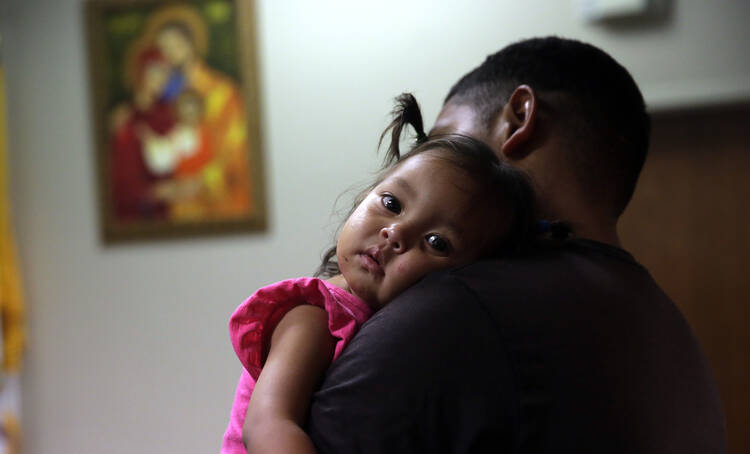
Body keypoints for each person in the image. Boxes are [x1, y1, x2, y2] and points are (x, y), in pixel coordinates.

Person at [306, 37, 728, 453]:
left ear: (520, 118)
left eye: (448, 139)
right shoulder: (673, 337)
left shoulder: (453, 309)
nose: (436, 161)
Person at [221, 94, 537, 453]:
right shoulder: (314, 314)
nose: (395, 233)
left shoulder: (412, 326)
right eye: (391, 204)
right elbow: (267, 425)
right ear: (364, 197)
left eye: (436, 242)